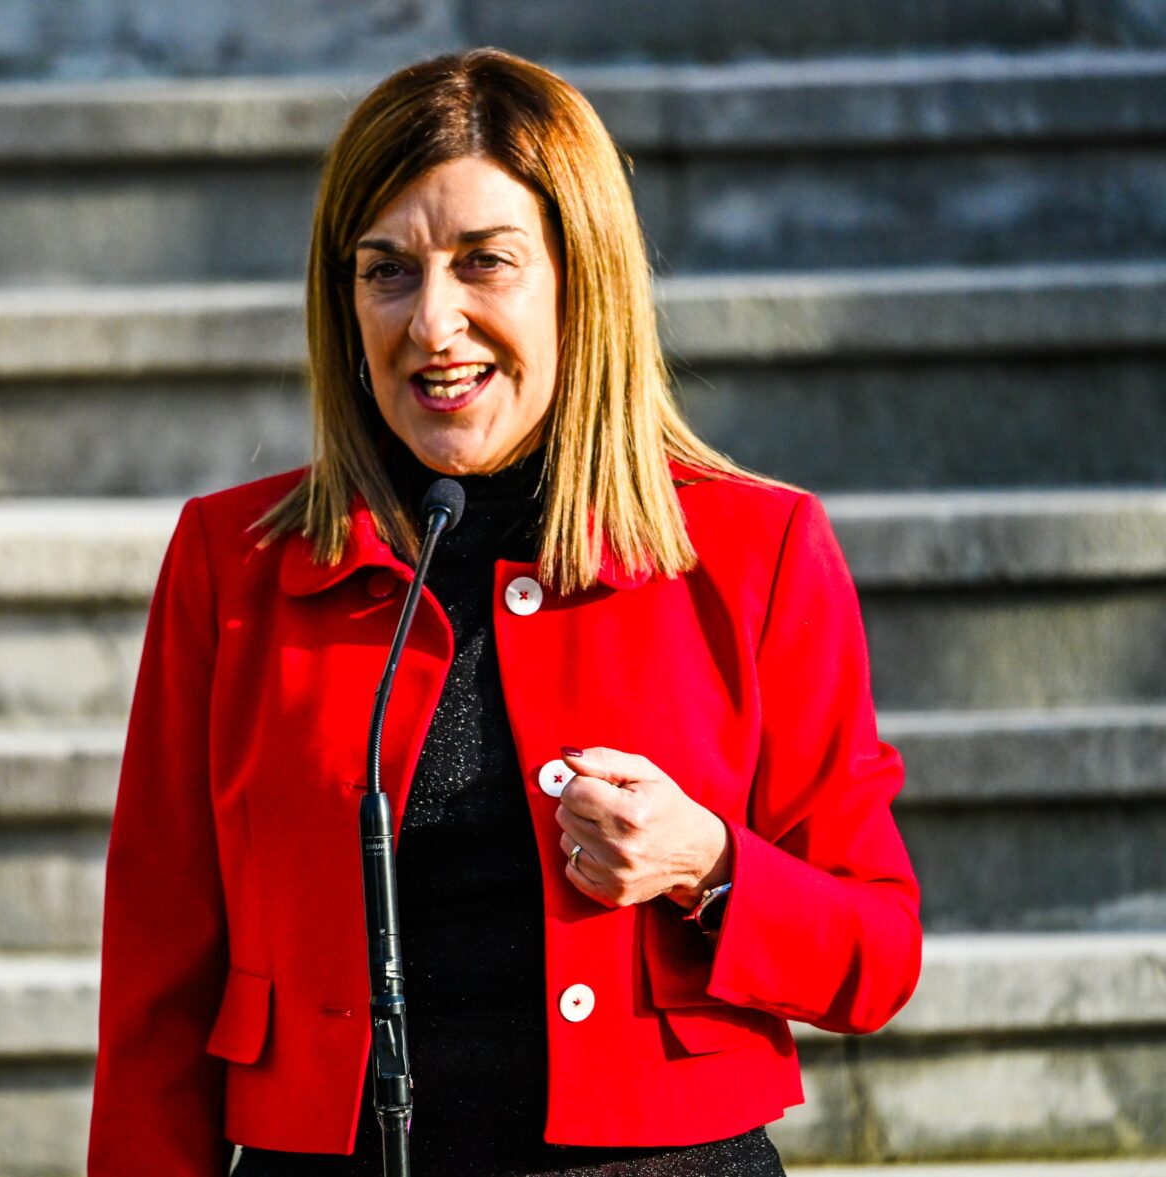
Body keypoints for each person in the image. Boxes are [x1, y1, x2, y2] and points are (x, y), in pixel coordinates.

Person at [86, 47, 922, 1177]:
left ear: (584, 280)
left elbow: (877, 955)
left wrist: (710, 862)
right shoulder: (232, 563)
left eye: (485, 262)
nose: (434, 322)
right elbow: (156, 986)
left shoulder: (755, 550)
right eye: (387, 271)